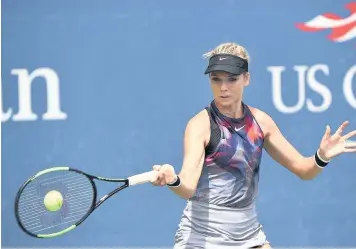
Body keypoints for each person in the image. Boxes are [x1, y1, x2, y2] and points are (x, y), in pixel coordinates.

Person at [151, 42, 356, 249]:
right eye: (216, 79)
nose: (223, 87)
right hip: (201, 240)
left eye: (232, 79)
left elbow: (304, 170)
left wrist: (322, 156)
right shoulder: (200, 125)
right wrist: (173, 179)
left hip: (250, 238)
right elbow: (187, 188)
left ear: (246, 78)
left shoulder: (261, 122)